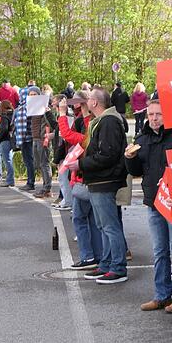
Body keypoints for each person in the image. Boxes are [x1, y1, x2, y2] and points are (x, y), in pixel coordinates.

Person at [124, 99, 172, 313]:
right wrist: (129, 158)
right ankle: (161, 296)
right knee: (159, 251)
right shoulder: (141, 139)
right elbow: (136, 171)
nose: (154, 118)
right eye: (151, 114)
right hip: (154, 203)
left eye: (159, 114)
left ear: (167, 115)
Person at [75, 86, 129, 284]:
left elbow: (107, 155)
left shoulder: (108, 122)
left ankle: (118, 267)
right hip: (99, 180)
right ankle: (107, 264)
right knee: (103, 225)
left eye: (88, 98)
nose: (86, 101)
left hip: (105, 180)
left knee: (109, 226)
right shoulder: (103, 121)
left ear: (95, 103)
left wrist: (80, 163)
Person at [58, 91, 103, 270]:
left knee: (79, 218)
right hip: (86, 178)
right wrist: (84, 110)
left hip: (84, 179)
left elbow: (67, 134)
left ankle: (88, 256)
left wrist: (62, 114)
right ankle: (97, 255)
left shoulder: (89, 132)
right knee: (92, 219)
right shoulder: (89, 122)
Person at [27, 87, 58, 199]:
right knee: (39, 164)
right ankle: (45, 187)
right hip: (35, 138)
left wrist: (47, 111)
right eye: (30, 94)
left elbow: (52, 123)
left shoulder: (45, 108)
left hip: (42, 139)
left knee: (44, 163)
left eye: (34, 94)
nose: (32, 96)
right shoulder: (32, 108)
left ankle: (47, 189)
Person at [14, 81, 37, 191]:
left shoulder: (23, 108)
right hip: (31, 137)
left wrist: (19, 141)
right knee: (30, 160)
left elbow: (22, 127)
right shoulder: (31, 106)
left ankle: (30, 182)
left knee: (28, 161)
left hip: (25, 139)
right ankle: (31, 181)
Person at [0, 100, 15, 187]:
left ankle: (10, 180)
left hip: (5, 140)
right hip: (11, 139)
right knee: (9, 160)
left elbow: (4, 129)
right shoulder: (13, 114)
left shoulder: (4, 116)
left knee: (7, 160)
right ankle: (10, 179)